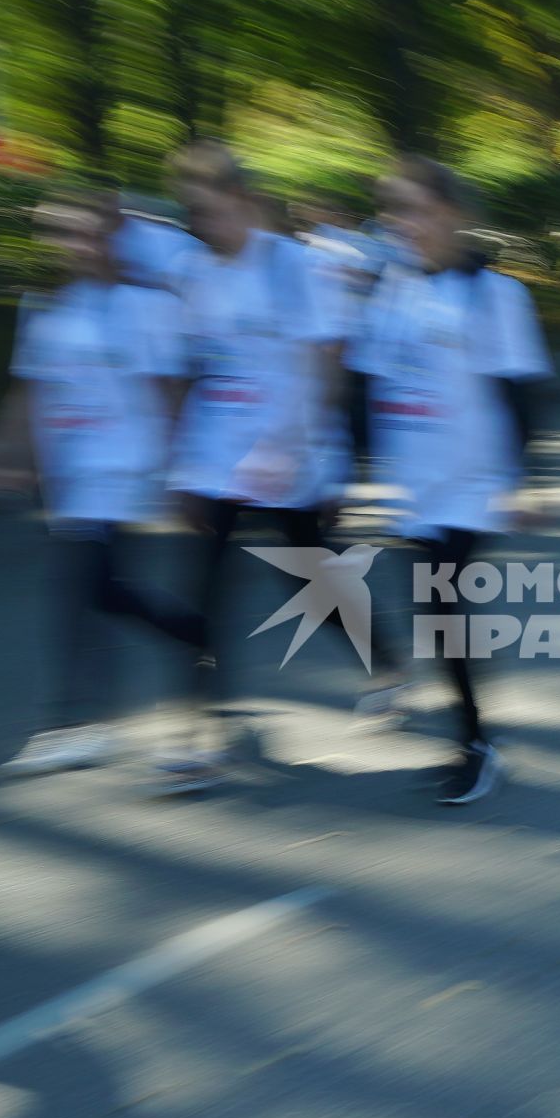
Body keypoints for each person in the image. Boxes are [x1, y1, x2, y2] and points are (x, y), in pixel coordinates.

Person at [0, 197, 207, 776]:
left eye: (91, 235)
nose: (79, 246)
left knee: (77, 590)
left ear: (114, 239)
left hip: (127, 465)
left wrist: (185, 473)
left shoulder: (146, 307)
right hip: (70, 471)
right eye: (66, 236)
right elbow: (28, 392)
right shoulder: (46, 307)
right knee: (100, 590)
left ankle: (75, 723)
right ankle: (193, 632)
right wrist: (1, 456)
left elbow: (170, 392)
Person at [345, 155, 554, 804]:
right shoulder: (391, 291)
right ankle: (474, 737)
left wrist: (519, 480)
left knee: (442, 607)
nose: (406, 223)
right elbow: (364, 388)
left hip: (473, 484)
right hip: (415, 486)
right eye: (396, 210)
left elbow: (520, 397)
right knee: (436, 615)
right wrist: (355, 474)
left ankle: (476, 744)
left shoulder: (495, 295)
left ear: (454, 214)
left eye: (419, 209)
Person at [165, 139, 350, 792]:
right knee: (205, 592)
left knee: (311, 581)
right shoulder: (193, 270)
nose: (205, 225)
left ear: (242, 201)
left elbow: (321, 364)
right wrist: (181, 465)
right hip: (217, 456)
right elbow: (196, 368)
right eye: (195, 213)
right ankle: (196, 734)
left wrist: (302, 452)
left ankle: (386, 665)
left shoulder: (289, 265)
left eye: (213, 210)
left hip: (285, 454)